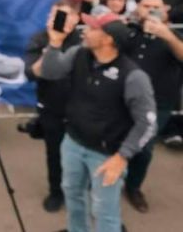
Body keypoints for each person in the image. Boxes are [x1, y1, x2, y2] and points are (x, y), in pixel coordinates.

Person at [36, 12, 157, 232]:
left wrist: (122, 157)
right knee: (72, 194)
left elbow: (148, 123)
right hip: (72, 143)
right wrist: (54, 42)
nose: (84, 30)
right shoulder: (78, 54)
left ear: (108, 39)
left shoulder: (134, 77)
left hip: (107, 155)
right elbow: (50, 72)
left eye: (92, 28)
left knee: (104, 211)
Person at [122, 0, 183, 212]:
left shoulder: (175, 34)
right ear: (138, 8)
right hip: (120, 101)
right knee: (114, 142)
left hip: (157, 104)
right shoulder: (127, 31)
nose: (151, 10)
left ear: (166, 10)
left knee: (144, 149)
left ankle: (133, 187)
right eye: (146, 6)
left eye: (156, 7)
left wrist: (168, 36)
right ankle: (110, 179)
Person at [23, 0, 82, 213]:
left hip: (83, 110)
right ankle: (56, 192)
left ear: (76, 19)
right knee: (54, 153)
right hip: (52, 107)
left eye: (64, 16)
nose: (58, 21)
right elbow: (32, 73)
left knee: (84, 155)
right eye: (54, 15)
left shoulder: (86, 40)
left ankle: (81, 193)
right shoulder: (39, 39)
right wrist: (53, 44)